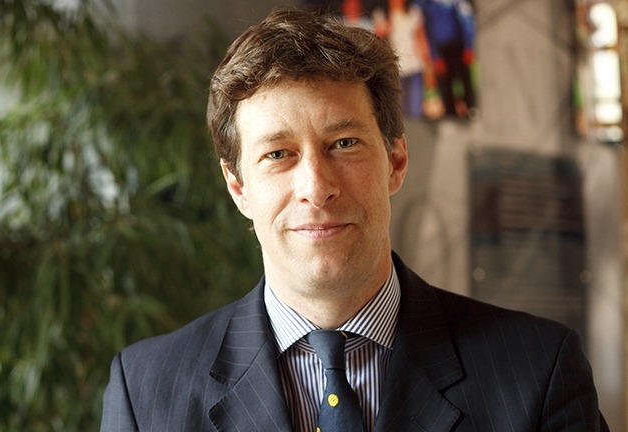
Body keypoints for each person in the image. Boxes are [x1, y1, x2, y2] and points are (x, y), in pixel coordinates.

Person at [101, 8, 608, 431]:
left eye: (344, 144)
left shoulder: (538, 371)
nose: (317, 187)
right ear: (238, 187)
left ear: (395, 161)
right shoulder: (145, 392)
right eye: (278, 154)